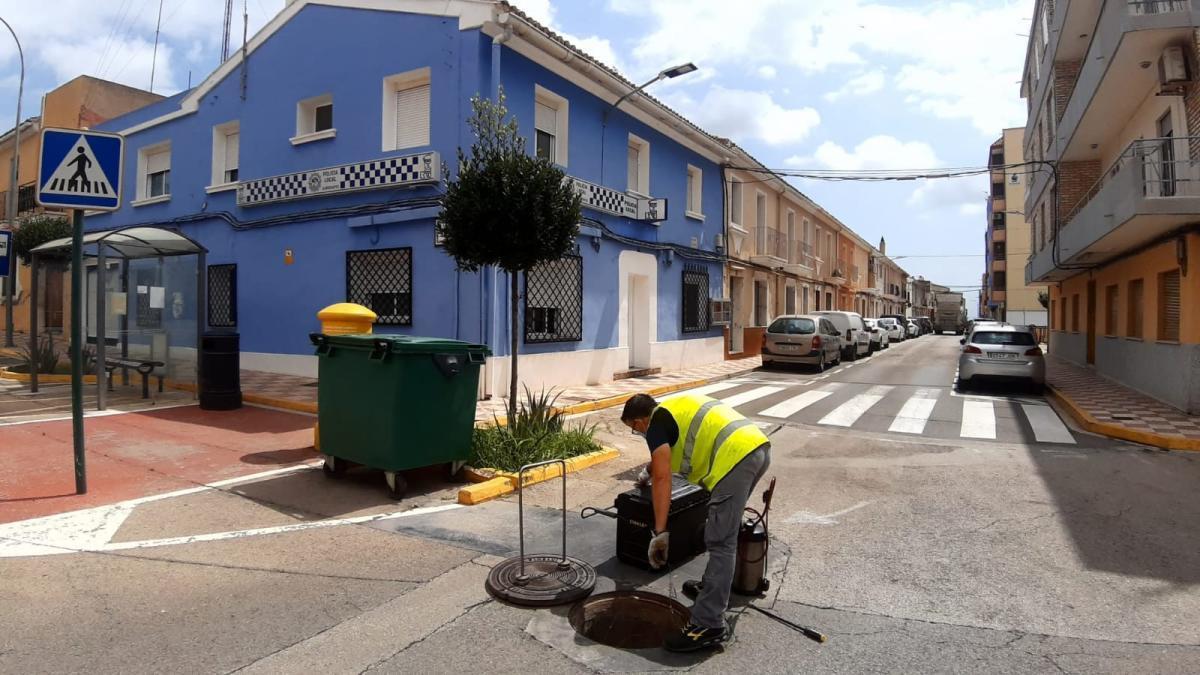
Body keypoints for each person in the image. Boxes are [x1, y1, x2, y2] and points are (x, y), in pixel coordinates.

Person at [620, 392, 771, 652]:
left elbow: (663, 479)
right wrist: (646, 472)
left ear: (640, 420)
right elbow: (660, 462)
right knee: (726, 529)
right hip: (755, 449)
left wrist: (660, 531)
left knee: (720, 541)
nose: (639, 434)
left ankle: (709, 625)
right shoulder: (672, 410)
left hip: (735, 459)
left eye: (635, 429)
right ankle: (712, 585)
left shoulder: (656, 424)